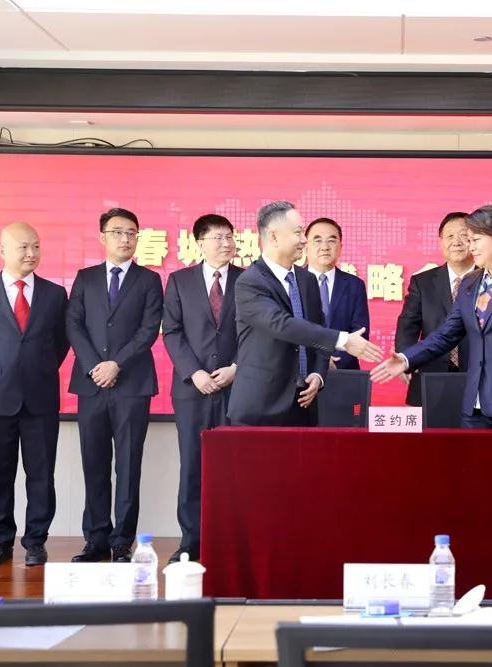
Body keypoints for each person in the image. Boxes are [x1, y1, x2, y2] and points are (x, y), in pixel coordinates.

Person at [372, 205, 492, 429]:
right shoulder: (470, 283)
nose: (471, 247)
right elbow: (445, 335)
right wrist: (407, 359)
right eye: (470, 240)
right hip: (474, 408)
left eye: (475, 240)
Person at [0, 223, 69, 567]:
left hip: (40, 396)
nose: (31, 253)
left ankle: (36, 542)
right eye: (23, 247)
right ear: (2, 250)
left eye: (36, 246)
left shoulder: (54, 294)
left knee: (41, 475)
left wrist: (35, 368)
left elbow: (61, 343)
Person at [227, 201, 383, 426]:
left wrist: (318, 374)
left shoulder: (306, 279)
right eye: (298, 232)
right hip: (261, 407)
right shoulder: (250, 282)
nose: (304, 240)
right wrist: (342, 340)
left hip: (303, 403)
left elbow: (317, 329)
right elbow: (281, 324)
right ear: (274, 236)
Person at [66, 208, 164, 563]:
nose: (125, 238)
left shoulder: (149, 280)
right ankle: (95, 540)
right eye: (118, 232)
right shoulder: (86, 278)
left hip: (132, 385)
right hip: (91, 384)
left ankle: (121, 541)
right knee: (93, 464)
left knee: (128, 465)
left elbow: (148, 330)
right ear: (102, 237)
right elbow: (73, 324)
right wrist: (96, 366)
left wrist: (116, 363)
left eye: (132, 232)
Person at [162, 214, 242, 564]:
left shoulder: (248, 280)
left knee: (235, 466)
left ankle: (231, 540)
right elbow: (172, 332)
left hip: (237, 388)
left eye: (230, 237)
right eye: (218, 238)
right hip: (192, 390)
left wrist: (236, 368)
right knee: (192, 465)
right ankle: (190, 541)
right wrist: (194, 372)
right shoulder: (180, 281)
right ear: (200, 243)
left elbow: (255, 332)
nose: (226, 243)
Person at [395, 212, 475, 406]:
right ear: (441, 242)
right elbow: (408, 325)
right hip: (431, 372)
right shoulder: (422, 282)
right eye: (450, 236)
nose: (456, 241)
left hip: (478, 374)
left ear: (475, 240)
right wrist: (407, 359)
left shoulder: (489, 280)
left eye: (464, 235)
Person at [305, 217, 370, 370]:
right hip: (301, 370)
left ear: (340, 247)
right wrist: (316, 361)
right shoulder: (292, 281)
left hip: (343, 371)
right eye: (317, 240)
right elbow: (286, 328)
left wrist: (336, 360)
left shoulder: (355, 285)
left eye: (331, 241)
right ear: (306, 246)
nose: (325, 247)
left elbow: (360, 332)